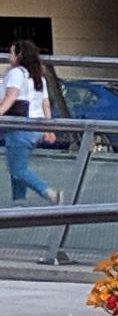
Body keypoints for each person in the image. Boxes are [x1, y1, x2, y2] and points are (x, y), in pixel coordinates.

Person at [0, 49, 49, 206]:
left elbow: (11, 97)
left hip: (20, 126)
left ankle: (48, 192)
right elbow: (45, 103)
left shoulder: (17, 73)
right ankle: (18, 203)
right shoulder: (38, 78)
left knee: (18, 169)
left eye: (12, 53)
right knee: (18, 165)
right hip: (36, 126)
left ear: (20, 55)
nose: (9, 56)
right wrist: (49, 127)